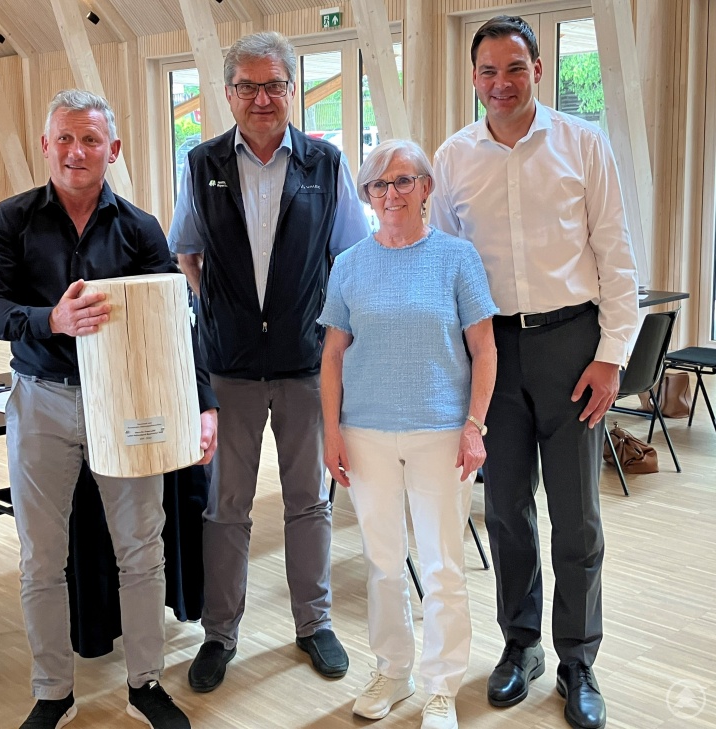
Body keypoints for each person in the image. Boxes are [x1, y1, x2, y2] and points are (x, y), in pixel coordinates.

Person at [0, 89, 218, 729]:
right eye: (64, 138)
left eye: (90, 139)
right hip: (41, 401)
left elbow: (175, 324)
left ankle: (145, 685)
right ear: (46, 145)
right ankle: (53, 692)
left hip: (127, 403)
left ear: (114, 149)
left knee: (142, 550)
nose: (76, 151)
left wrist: (204, 405)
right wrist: (49, 319)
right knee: (41, 558)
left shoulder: (140, 228)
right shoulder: (10, 220)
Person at [431, 15, 639, 729]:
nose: (501, 83)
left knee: (576, 517)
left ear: (539, 70)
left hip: (572, 347)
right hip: (492, 353)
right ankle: (521, 645)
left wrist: (612, 355)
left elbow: (615, 255)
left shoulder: (584, 144)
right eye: (488, 71)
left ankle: (578, 659)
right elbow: (448, 271)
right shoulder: (453, 158)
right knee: (505, 510)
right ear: (473, 77)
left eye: (514, 68)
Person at [168, 30, 370, 692]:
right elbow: (187, 253)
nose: (262, 98)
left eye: (274, 85)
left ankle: (314, 623)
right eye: (248, 86)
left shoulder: (325, 164)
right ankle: (219, 633)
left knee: (309, 501)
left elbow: (350, 259)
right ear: (228, 93)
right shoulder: (200, 164)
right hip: (228, 368)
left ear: (292, 89)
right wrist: (223, 310)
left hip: (305, 364)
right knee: (226, 506)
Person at [319, 139, 498, 729]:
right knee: (383, 562)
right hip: (364, 433)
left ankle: (441, 686)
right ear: (367, 196)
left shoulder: (456, 258)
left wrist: (474, 425)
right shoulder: (349, 264)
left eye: (402, 180)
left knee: (443, 565)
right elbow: (332, 356)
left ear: (426, 187)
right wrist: (331, 432)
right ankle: (393, 671)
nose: (390, 193)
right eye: (378, 184)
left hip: (441, 433)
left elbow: (484, 349)